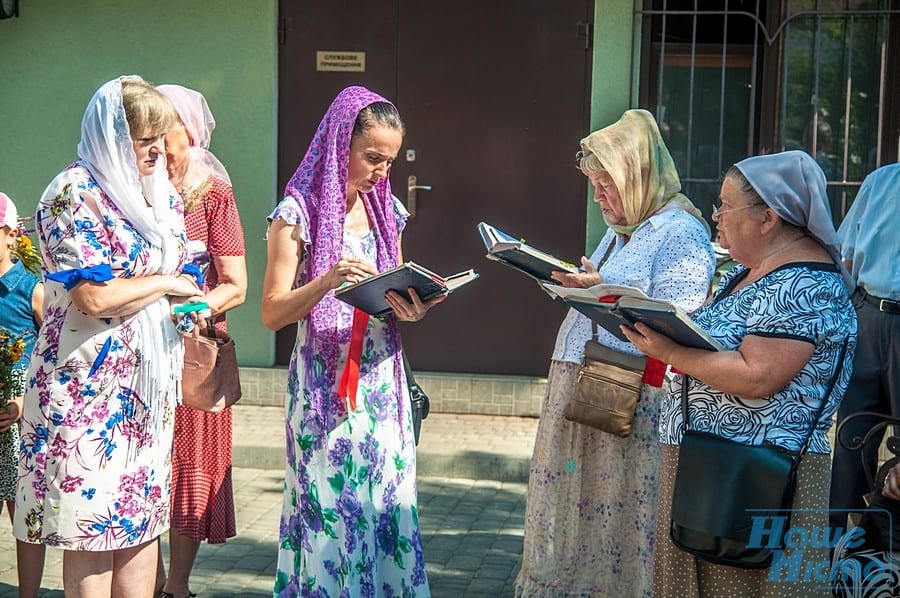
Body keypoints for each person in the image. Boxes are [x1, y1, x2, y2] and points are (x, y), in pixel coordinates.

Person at [623, 150, 857, 596]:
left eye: (726, 206)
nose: (716, 216)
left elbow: (757, 375)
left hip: (759, 476)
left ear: (768, 217)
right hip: (713, 462)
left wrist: (670, 349)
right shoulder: (749, 272)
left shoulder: (804, 284)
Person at [13, 76, 203, 597]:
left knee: (139, 529)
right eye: (147, 140)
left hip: (146, 393)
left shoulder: (157, 194)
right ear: (113, 136)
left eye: (163, 138)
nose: (160, 150)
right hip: (86, 392)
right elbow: (93, 298)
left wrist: (191, 306)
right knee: (92, 532)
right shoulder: (72, 193)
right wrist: (167, 284)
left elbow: (183, 273)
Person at [514, 109, 715, 597]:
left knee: (620, 513)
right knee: (579, 513)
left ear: (640, 177)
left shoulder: (681, 231)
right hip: (592, 385)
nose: (599, 195)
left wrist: (601, 287)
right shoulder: (625, 227)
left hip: (631, 401)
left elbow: (680, 318)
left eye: (608, 184)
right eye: (595, 184)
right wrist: (575, 285)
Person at [261, 86, 440, 596]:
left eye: (390, 159)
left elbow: (393, 286)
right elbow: (272, 312)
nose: (382, 171)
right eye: (372, 158)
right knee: (329, 513)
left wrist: (416, 305)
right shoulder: (296, 213)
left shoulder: (388, 211)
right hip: (324, 385)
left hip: (382, 382)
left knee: (386, 506)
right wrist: (322, 282)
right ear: (342, 143)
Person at [155, 84, 248, 598]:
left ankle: (178, 586)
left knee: (189, 461)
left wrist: (190, 306)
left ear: (190, 136)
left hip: (196, 347)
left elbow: (236, 284)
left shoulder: (214, 192)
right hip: (141, 344)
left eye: (171, 146)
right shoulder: (135, 189)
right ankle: (147, 579)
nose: (163, 157)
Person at [829, 162, 900, 533]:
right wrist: (855, 306)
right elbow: (846, 254)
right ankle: (834, 549)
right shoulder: (880, 181)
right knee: (850, 441)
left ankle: (885, 542)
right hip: (869, 317)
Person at [0, 191, 46, 598]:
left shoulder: (30, 289)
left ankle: (28, 594)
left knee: (25, 514)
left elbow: (50, 357)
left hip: (20, 418)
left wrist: (23, 402)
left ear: (11, 235)